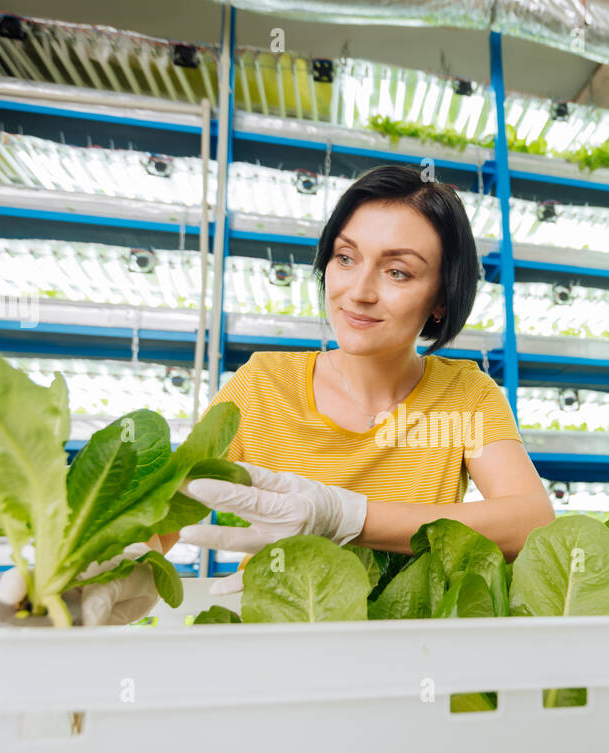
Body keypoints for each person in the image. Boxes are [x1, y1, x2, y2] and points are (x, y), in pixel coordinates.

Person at [154, 163, 554, 588]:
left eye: (397, 271)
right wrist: (121, 563)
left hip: (412, 640)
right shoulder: (262, 385)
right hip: (279, 623)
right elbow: (167, 512)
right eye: (345, 258)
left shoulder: (464, 394)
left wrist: (349, 516)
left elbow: (531, 522)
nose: (359, 292)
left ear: (441, 297)